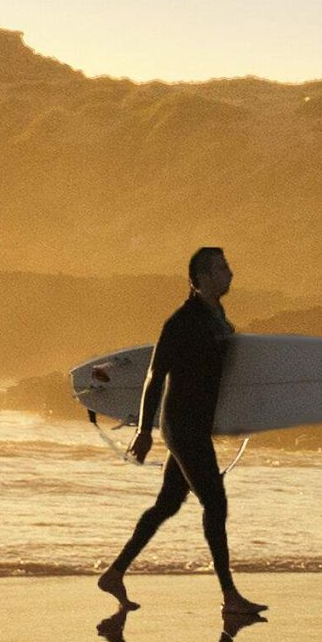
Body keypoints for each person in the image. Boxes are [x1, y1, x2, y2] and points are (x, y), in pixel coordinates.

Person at [97, 246, 265, 618]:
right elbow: (155, 375)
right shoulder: (183, 322)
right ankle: (229, 596)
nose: (230, 273)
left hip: (197, 425)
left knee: (167, 504)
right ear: (202, 277)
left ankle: (115, 573)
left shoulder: (216, 316)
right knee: (216, 503)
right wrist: (144, 430)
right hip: (183, 427)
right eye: (222, 268)